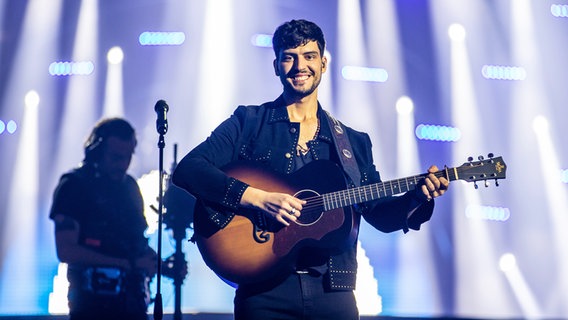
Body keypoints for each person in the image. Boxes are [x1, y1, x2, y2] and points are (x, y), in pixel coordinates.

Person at [172, 19, 449, 320]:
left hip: (333, 290)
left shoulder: (352, 142)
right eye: (289, 57)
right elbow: (189, 169)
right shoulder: (248, 123)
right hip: (264, 290)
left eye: (309, 56)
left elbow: (379, 214)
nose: (299, 66)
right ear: (276, 65)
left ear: (324, 63)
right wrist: (257, 197)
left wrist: (418, 198)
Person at [50, 118, 165, 320]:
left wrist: (162, 265)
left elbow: (136, 242)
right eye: (115, 157)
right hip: (92, 306)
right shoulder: (73, 186)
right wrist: (127, 263)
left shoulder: (129, 186)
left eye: (128, 156)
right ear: (96, 152)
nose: (122, 165)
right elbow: (66, 250)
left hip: (133, 305)